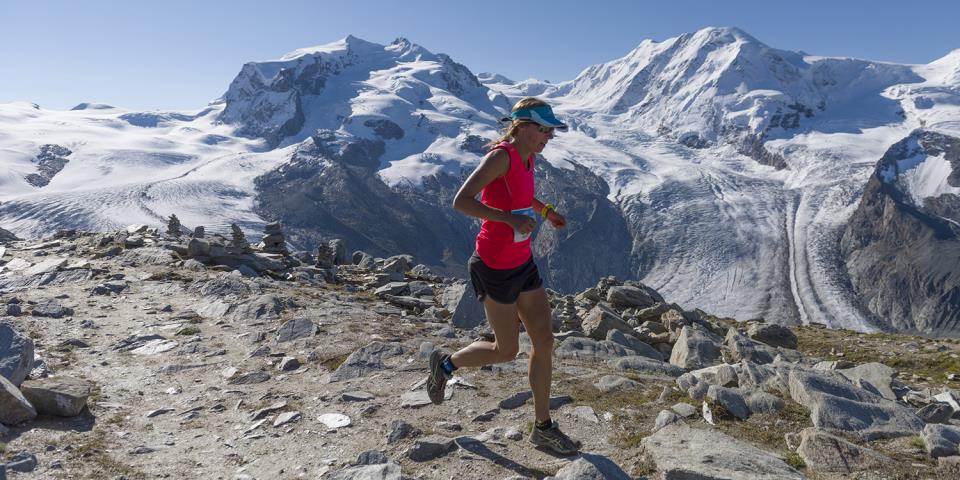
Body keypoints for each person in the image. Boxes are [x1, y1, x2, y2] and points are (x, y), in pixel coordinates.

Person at [426, 97, 581, 455]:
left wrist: (547, 211)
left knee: (544, 341)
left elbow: (524, 196)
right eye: (544, 129)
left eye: (551, 131)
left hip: (522, 261)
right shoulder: (500, 156)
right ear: (523, 126)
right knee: (506, 349)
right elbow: (461, 201)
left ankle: (543, 427)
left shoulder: (528, 157)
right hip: (494, 266)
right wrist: (509, 220)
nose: (549, 136)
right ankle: (446, 365)